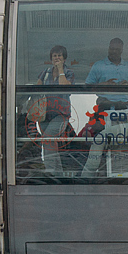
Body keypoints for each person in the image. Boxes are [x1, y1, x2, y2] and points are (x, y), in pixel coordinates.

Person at [36, 45, 76, 175]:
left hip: (61, 114)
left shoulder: (69, 73)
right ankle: (58, 174)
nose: (57, 58)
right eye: (54, 56)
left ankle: (50, 171)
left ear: (64, 59)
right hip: (44, 114)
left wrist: (60, 70)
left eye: (59, 56)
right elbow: (37, 89)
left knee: (48, 138)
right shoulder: (44, 73)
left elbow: (65, 87)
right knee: (51, 144)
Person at [85, 38, 128, 107]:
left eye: (117, 49)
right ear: (108, 49)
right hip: (105, 105)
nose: (114, 51)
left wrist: (127, 85)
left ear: (122, 50)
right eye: (112, 49)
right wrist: (104, 84)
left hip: (126, 105)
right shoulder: (98, 65)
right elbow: (88, 86)